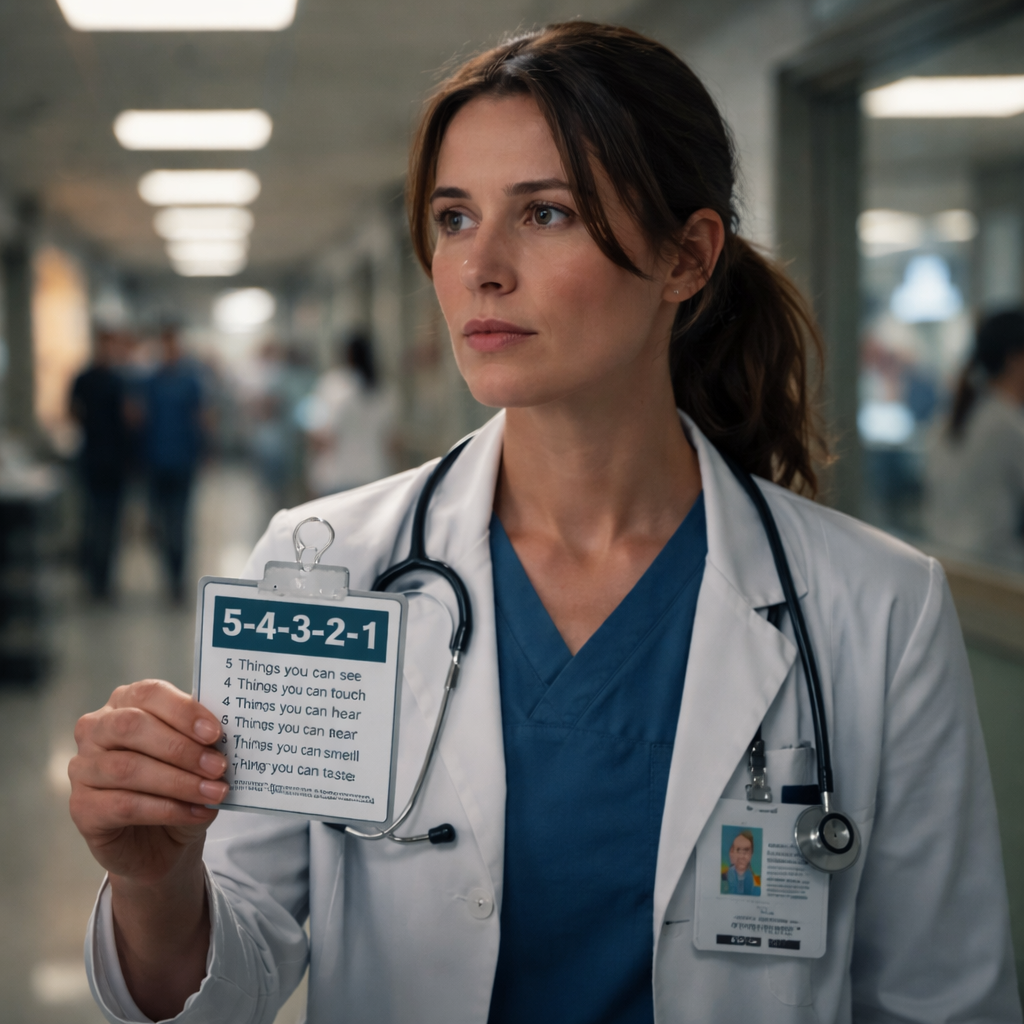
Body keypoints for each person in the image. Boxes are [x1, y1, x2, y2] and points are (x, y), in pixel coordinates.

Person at [70, 23, 1019, 1024]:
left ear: (686, 258)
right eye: (452, 216)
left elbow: (941, 998)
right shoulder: (327, 570)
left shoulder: (877, 607)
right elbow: (232, 977)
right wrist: (155, 883)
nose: (479, 266)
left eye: (547, 214)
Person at [925, 310, 1024, 566]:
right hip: (990, 569)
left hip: (949, 561)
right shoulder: (1006, 424)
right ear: (1015, 361)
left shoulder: (958, 412)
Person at [137, 325, 206, 602]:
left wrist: (204, 451)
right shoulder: (149, 382)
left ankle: (176, 581)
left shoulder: (190, 381)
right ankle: (168, 575)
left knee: (178, 522)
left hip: (182, 462)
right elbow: (139, 420)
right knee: (160, 524)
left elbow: (201, 418)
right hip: (155, 463)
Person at [69, 328, 129, 599]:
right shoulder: (85, 379)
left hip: (115, 464)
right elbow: (73, 412)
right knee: (94, 521)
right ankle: (95, 578)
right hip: (95, 461)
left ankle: (104, 580)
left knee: (110, 524)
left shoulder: (119, 381)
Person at [300, 331, 396, 497]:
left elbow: (319, 437)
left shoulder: (332, 384)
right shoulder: (385, 389)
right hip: (375, 477)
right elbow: (391, 442)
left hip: (337, 477)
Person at [724, 830, 758, 896]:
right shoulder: (725, 877)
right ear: (732, 852)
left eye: (746, 850)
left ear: (751, 854)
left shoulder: (756, 880)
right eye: (738, 850)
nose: (742, 856)